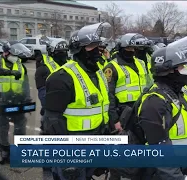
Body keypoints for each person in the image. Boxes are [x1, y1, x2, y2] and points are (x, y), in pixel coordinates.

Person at [43, 23, 112, 180]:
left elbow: (103, 107)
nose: (97, 50)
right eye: (91, 46)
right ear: (78, 49)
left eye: (98, 45)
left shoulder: (98, 73)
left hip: (96, 140)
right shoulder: (61, 77)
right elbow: (52, 121)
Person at [137, 34, 187, 179]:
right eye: (181, 67)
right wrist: (178, 177)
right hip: (164, 172)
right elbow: (159, 149)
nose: (185, 71)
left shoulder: (179, 93)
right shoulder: (154, 102)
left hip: (185, 164)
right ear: (168, 70)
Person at [103, 33, 149, 133]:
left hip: (141, 111)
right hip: (123, 114)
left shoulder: (141, 63)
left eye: (133, 48)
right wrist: (114, 120)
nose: (132, 51)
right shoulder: (111, 67)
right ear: (121, 48)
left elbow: (148, 85)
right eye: (128, 48)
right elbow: (108, 96)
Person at [0, 42, 32, 164]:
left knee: (20, 127)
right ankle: (5, 151)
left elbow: (25, 84)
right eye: (12, 54)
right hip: (1, 102)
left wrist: (27, 99)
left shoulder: (20, 66)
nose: (14, 57)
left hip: (18, 101)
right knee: (2, 127)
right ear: (5, 53)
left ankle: (19, 151)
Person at [35, 38, 69, 135]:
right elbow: (43, 95)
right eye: (59, 52)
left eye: (65, 51)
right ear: (51, 52)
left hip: (69, 117)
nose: (63, 54)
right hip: (51, 115)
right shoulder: (43, 68)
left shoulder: (70, 65)